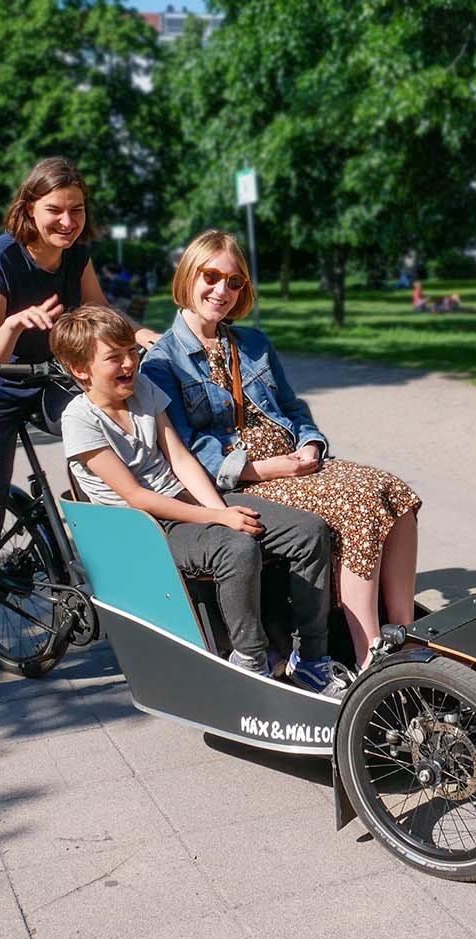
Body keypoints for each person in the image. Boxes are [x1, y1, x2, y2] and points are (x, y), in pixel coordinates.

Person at [0, 156, 162, 719]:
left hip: (45, 382)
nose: (67, 221)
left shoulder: (76, 255)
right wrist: (15, 323)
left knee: (110, 436)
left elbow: (100, 315)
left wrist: (142, 336)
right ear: (30, 210)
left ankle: (100, 558)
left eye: (76, 210)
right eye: (55, 211)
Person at [143, 230, 421, 668]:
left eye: (235, 282)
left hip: (296, 463)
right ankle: (370, 655)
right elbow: (188, 449)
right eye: (211, 276)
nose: (222, 291)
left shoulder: (254, 344)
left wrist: (311, 443)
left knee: (395, 492)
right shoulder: (162, 360)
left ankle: (402, 634)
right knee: (360, 504)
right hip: (241, 479)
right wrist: (261, 469)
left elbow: (293, 408)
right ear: (188, 275)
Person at [53, 305, 342, 693]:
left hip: (185, 499)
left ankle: (311, 658)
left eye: (131, 352)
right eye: (114, 358)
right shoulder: (79, 421)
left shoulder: (142, 389)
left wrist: (220, 511)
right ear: (80, 369)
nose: (129, 364)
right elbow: (136, 497)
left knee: (308, 532)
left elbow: (180, 458)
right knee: (236, 549)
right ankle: (250, 660)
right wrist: (219, 521)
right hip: (144, 528)